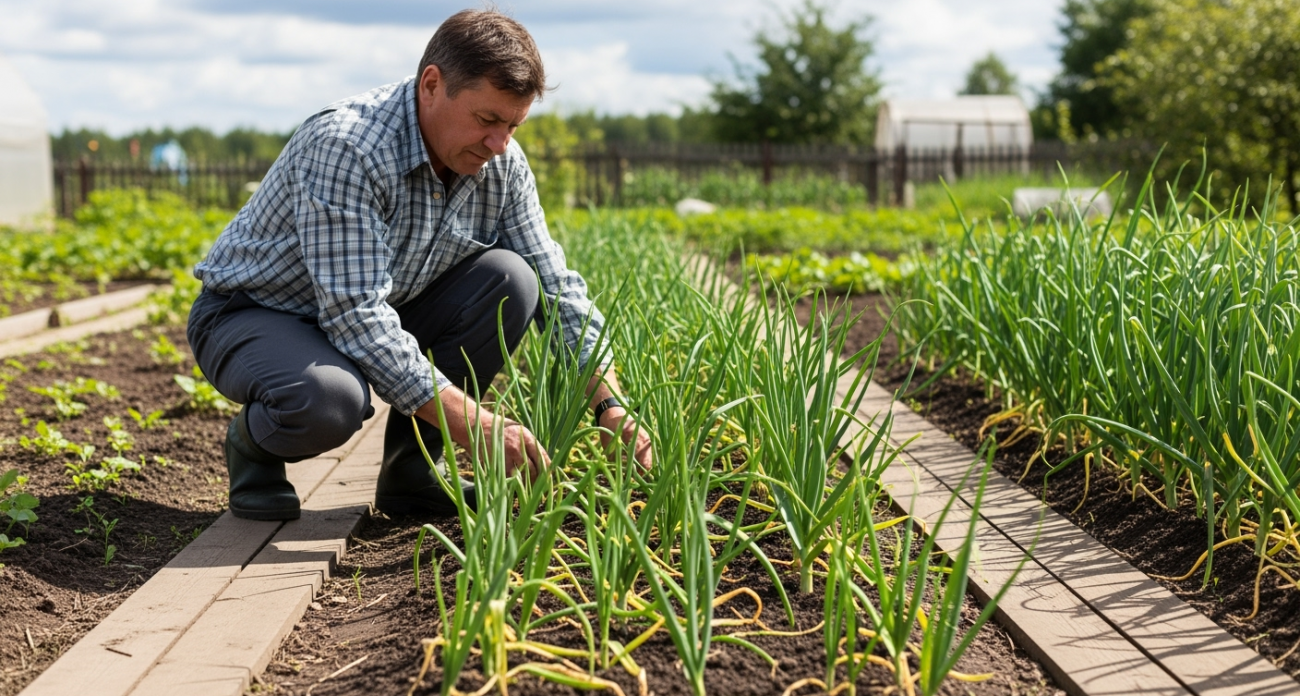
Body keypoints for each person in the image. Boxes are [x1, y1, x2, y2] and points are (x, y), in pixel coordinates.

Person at [187, 9, 652, 522]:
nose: (500, 144)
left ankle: (413, 474)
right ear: (432, 84)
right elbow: (355, 314)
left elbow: (554, 283)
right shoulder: (348, 146)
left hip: (381, 306)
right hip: (258, 313)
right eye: (487, 120)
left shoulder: (501, 163)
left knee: (512, 280)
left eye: (514, 126)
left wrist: (611, 406)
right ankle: (255, 449)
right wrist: (477, 425)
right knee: (329, 400)